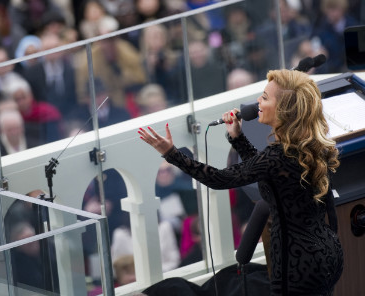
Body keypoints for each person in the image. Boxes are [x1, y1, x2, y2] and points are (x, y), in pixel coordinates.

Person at [138, 69, 343, 295]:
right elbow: (264, 169)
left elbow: (218, 178)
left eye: (265, 97)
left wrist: (172, 154)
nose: (258, 102)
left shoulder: (277, 156)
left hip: (297, 264)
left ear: (283, 110)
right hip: (328, 252)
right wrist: (237, 137)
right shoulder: (311, 145)